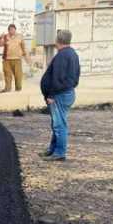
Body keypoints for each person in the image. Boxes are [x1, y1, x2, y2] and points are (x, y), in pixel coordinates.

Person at [40, 30, 80, 162]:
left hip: (59, 95)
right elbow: (76, 76)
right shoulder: (72, 54)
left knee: (59, 125)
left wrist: (51, 95)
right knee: (56, 123)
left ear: (58, 41)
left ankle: (59, 152)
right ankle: (52, 149)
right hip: (66, 93)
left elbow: (58, 78)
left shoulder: (62, 56)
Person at [0, 24, 30, 92]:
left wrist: (26, 57)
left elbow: (23, 47)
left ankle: (18, 88)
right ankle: (7, 88)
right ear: (8, 30)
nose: (11, 31)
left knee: (18, 75)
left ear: (15, 29)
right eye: (10, 29)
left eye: (13, 29)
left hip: (17, 59)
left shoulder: (20, 36)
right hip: (7, 60)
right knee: (7, 75)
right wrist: (0, 38)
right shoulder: (5, 36)